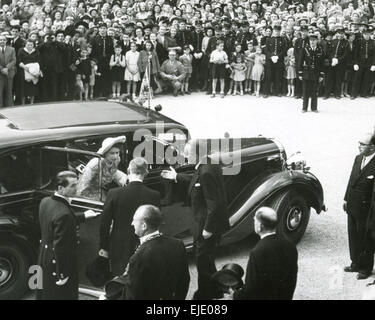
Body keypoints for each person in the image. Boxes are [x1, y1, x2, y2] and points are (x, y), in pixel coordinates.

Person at [161, 139, 230, 300]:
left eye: (188, 152)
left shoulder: (206, 171)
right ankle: (216, 290)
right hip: (206, 223)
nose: (185, 155)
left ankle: (205, 295)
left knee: (203, 262)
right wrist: (176, 176)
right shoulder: (208, 165)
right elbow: (196, 179)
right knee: (207, 260)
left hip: (205, 225)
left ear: (198, 154)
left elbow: (214, 203)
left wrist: (208, 229)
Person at [36, 171, 99, 300]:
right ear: (61, 188)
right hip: (58, 264)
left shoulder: (45, 201)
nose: (77, 189)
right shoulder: (64, 214)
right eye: (73, 186)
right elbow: (61, 247)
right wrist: (62, 273)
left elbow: (55, 220)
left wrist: (83, 215)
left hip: (44, 257)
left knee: (46, 293)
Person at [99, 157, 160, 276]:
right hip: (145, 245)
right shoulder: (154, 195)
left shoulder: (114, 193)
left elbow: (104, 223)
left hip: (119, 244)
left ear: (128, 171)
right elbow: (156, 224)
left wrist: (104, 247)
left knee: (120, 279)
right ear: (146, 172)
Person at [124, 204, 190, 300]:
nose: (132, 223)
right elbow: (184, 281)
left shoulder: (139, 257)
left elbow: (133, 296)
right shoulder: (178, 244)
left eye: (134, 220)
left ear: (144, 226)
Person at [230, 207, 298, 300]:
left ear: (260, 226)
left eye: (255, 221)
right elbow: (291, 280)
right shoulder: (290, 246)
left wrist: (235, 296)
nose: (254, 223)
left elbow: (251, 288)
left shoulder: (257, 252)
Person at [344, 133, 375, 280]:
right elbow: (352, 179)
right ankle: (355, 262)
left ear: (372, 147)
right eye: (359, 143)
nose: (359, 146)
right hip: (352, 204)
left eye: (363, 144)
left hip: (367, 209)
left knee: (366, 238)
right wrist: (346, 199)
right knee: (353, 236)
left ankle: (366, 268)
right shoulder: (358, 158)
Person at [77, 136, 128, 201]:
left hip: (101, 190)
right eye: (112, 153)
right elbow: (83, 184)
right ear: (105, 153)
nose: (115, 156)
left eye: (117, 153)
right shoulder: (96, 164)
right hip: (88, 193)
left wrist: (121, 178)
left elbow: (113, 171)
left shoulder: (117, 160)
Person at [298, 32, 324, 113]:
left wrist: (321, 75)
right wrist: (300, 73)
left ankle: (314, 108)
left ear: (317, 41)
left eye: (314, 40)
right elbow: (300, 62)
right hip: (306, 73)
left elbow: (322, 64)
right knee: (305, 91)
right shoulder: (305, 49)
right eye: (311, 40)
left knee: (314, 91)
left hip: (316, 73)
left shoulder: (320, 50)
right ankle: (304, 108)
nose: (312, 42)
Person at [18, 39, 40, 105]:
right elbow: (19, 61)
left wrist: (33, 72)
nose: (30, 46)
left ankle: (31, 103)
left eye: (31, 45)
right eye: (28, 44)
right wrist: (26, 69)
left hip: (33, 71)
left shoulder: (36, 51)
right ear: (25, 44)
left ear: (34, 45)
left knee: (32, 88)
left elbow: (38, 62)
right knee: (23, 89)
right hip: (23, 71)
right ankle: (23, 104)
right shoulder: (21, 50)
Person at [0, 34, 16, 107]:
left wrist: (7, 68)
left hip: (9, 73)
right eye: (0, 40)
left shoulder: (11, 49)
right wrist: (2, 69)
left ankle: (9, 109)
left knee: (9, 92)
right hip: (0, 74)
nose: (2, 41)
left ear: (6, 41)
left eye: (3, 40)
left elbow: (14, 60)